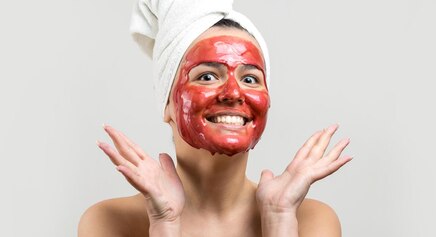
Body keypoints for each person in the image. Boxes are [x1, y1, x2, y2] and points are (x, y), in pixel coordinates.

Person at [78, 1, 352, 236]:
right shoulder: (110, 222)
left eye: (249, 78)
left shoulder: (311, 221)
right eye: (207, 76)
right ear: (167, 104)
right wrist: (165, 223)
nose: (233, 93)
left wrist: (279, 220)